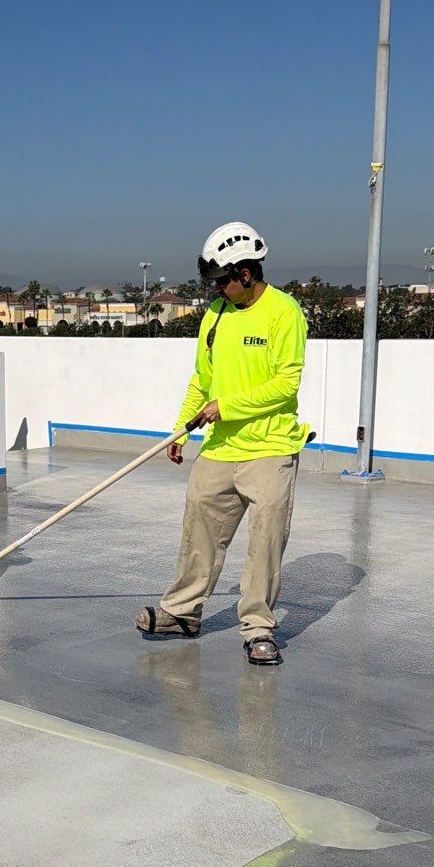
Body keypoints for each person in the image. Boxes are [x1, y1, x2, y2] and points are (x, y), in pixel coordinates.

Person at [136, 220, 308, 664]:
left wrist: (226, 406)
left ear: (245, 273)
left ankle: (258, 628)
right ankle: (182, 613)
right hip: (220, 446)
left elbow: (286, 385)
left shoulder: (283, 312)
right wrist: (181, 428)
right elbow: (202, 378)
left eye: (221, 281)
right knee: (199, 527)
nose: (216, 290)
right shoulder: (215, 315)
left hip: (269, 447)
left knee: (266, 539)